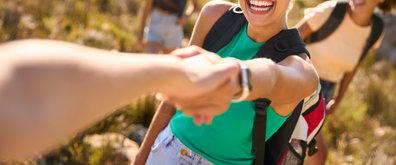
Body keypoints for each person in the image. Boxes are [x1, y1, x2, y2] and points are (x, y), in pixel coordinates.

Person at [133, 0, 319, 165]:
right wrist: (142, 155)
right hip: (165, 150)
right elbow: (171, 100)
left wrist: (237, 79)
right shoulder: (215, 17)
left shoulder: (299, 67)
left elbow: (274, 78)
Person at [0, 39, 241, 161]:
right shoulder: (216, 15)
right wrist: (178, 73)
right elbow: (23, 93)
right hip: (166, 150)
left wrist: (175, 73)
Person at [292, 0, 396, 165]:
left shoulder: (375, 30)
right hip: (299, 77)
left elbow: (354, 65)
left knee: (303, 149)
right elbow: (290, 38)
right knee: (309, 150)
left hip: (324, 91)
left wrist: (338, 98)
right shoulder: (333, 11)